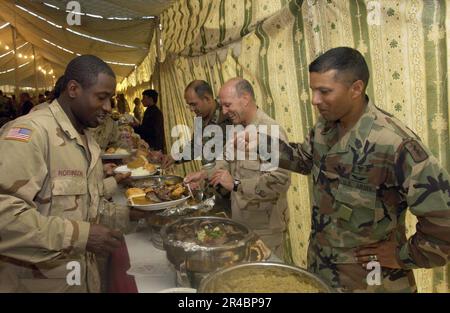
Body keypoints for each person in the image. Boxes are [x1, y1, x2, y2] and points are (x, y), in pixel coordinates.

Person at [264, 47, 450, 292]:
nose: (314, 100)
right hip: (323, 271)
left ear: (356, 88)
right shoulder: (325, 127)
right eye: (313, 90)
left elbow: (443, 221)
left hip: (372, 281)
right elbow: (304, 160)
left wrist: (401, 256)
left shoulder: (394, 144)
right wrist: (261, 146)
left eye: (324, 91)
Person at [0, 55, 132, 292]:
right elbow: (5, 219)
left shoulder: (85, 137)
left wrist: (132, 213)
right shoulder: (30, 134)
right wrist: (81, 236)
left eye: (110, 99)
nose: (108, 108)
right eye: (101, 98)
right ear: (73, 89)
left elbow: (82, 200)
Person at [184, 78, 291, 259]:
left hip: (265, 231)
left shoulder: (269, 131)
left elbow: (280, 181)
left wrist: (235, 184)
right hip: (240, 222)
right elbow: (225, 160)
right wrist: (203, 174)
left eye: (227, 105)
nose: (224, 111)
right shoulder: (238, 127)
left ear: (245, 98)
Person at [159, 80, 232, 169]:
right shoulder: (200, 117)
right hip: (208, 176)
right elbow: (196, 146)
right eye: (189, 105)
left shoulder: (229, 115)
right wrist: (175, 157)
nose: (191, 109)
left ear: (207, 99)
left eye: (193, 104)